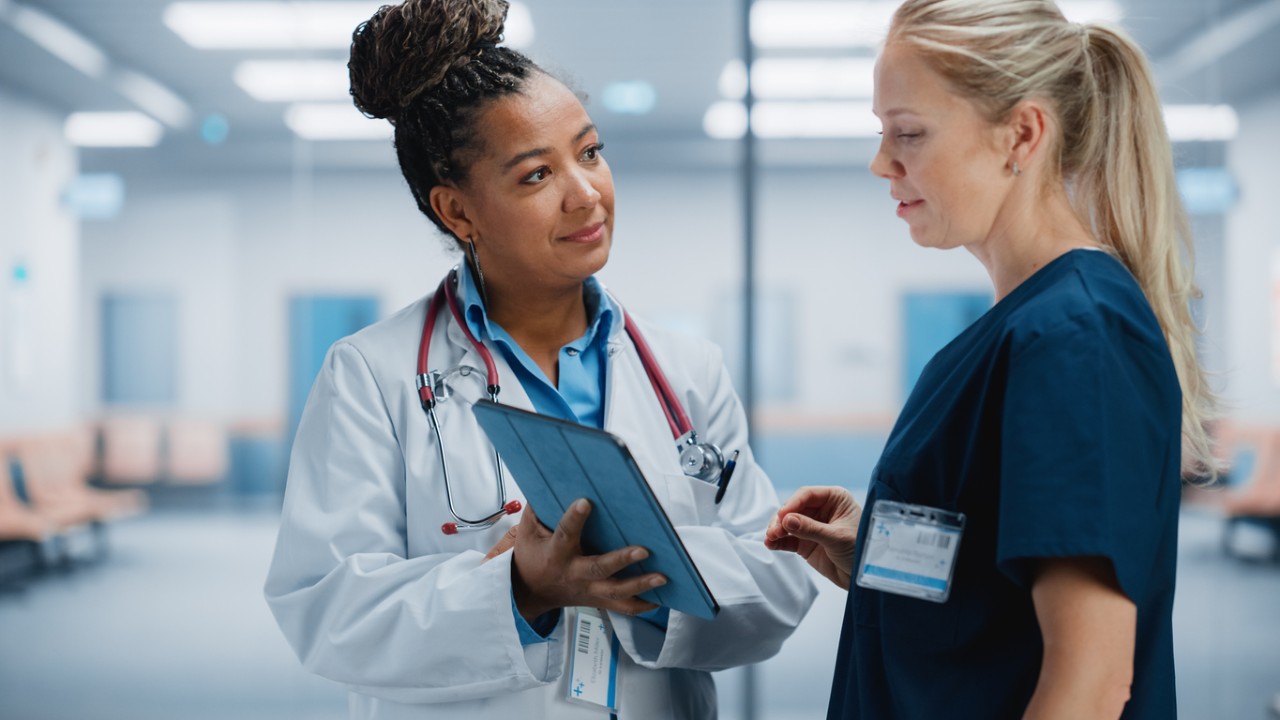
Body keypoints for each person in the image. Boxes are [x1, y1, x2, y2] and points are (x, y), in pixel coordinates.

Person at [263, 1, 817, 718]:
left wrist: (637, 574)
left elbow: (774, 581)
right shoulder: (373, 375)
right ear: (457, 212)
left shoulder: (686, 369)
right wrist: (522, 588)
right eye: (535, 176)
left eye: (589, 152)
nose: (586, 194)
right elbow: (328, 611)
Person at [764, 1, 1218, 717]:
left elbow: (1090, 683)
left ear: (1022, 134)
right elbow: (996, 585)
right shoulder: (1024, 326)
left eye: (909, 133)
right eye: (883, 133)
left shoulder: (1075, 334)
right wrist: (878, 553)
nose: (881, 162)